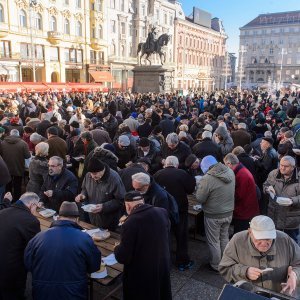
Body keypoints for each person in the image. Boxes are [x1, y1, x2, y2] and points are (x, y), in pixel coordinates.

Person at [24, 201, 101, 300]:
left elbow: (28, 264)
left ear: (59, 217)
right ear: (77, 219)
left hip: (42, 293)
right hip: (74, 294)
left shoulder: (38, 237)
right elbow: (95, 266)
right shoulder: (85, 238)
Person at [219, 215, 300, 296]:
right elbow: (225, 268)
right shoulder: (237, 240)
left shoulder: (284, 239)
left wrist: (295, 275)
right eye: (259, 239)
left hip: (279, 295)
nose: (264, 243)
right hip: (247, 295)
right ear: (250, 232)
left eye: (268, 238)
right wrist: (245, 271)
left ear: (274, 232)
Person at [114, 191, 172, 300]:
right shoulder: (161, 211)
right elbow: (166, 230)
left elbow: (123, 257)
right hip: (161, 263)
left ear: (128, 206)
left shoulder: (130, 222)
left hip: (142, 271)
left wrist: (116, 248)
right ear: (143, 201)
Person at [154, 156, 196, 271]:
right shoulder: (181, 173)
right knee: (181, 235)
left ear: (165, 164)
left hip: (163, 209)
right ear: (176, 165)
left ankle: (164, 261)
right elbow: (190, 190)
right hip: (180, 209)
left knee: (165, 235)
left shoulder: (157, 174)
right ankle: (182, 261)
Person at [196, 155, 235, 271]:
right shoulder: (230, 171)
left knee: (214, 241)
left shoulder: (207, 178)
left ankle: (216, 265)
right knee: (224, 237)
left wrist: (199, 187)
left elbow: (200, 198)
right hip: (228, 212)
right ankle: (226, 261)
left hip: (213, 214)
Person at [0, 192, 40, 300]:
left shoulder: (2, 212)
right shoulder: (31, 221)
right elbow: (35, 248)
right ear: (32, 205)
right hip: (13, 271)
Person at [76, 157, 125, 230]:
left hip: (109, 220)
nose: (92, 176)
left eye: (95, 173)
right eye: (91, 173)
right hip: (92, 217)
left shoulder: (114, 178)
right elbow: (84, 189)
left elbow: (121, 200)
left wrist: (103, 207)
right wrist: (82, 195)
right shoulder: (88, 175)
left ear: (102, 170)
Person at [264, 155, 300, 243]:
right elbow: (265, 184)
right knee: (275, 241)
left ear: (292, 167)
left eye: (286, 166)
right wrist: (268, 189)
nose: (282, 168)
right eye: (281, 165)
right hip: (274, 214)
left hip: (290, 218)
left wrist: (293, 200)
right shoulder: (273, 173)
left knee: (292, 242)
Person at [224, 153, 259, 233]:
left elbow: (239, 195)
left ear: (229, 163)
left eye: (226, 165)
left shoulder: (242, 175)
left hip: (244, 211)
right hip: (245, 208)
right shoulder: (240, 169)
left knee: (240, 232)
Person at [1, 129, 31, 201]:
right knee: (17, 185)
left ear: (10, 134)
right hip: (18, 167)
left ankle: (7, 201)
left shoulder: (3, 143)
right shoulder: (23, 143)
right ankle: (16, 200)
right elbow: (27, 156)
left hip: (6, 169)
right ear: (18, 135)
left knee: (8, 186)